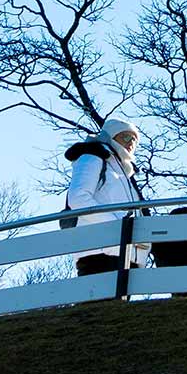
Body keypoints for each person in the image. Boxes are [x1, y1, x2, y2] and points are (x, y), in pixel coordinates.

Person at [62, 118, 150, 276]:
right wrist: (116, 225)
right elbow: (78, 197)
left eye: (135, 139)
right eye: (126, 137)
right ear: (111, 136)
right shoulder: (93, 156)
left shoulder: (124, 173)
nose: (131, 142)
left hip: (125, 255)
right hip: (100, 254)